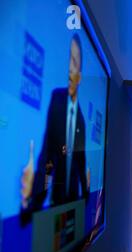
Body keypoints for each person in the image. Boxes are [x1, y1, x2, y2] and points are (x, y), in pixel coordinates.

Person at [20, 34, 89, 224]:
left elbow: (81, 161)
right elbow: (46, 154)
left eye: (74, 63)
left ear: (80, 76)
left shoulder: (82, 120)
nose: (69, 69)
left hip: (72, 198)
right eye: (69, 61)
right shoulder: (57, 99)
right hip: (53, 200)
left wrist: (86, 194)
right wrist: (35, 201)